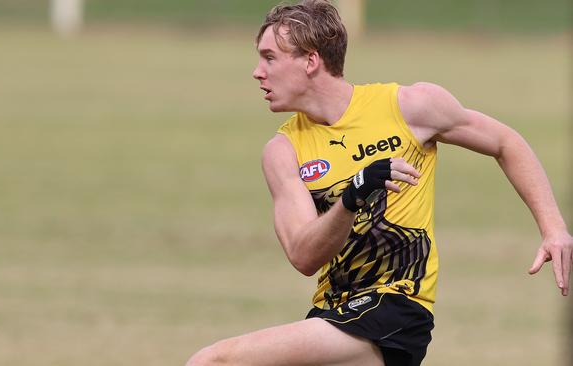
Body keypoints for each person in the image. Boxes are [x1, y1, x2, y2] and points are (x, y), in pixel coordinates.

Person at [186, 1, 573, 365]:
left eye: (270, 57)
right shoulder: (283, 151)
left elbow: (506, 142)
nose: (257, 71)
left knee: (211, 361)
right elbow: (304, 256)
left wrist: (553, 227)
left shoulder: (410, 107)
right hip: (333, 309)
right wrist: (353, 194)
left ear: (310, 61)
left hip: (396, 309)